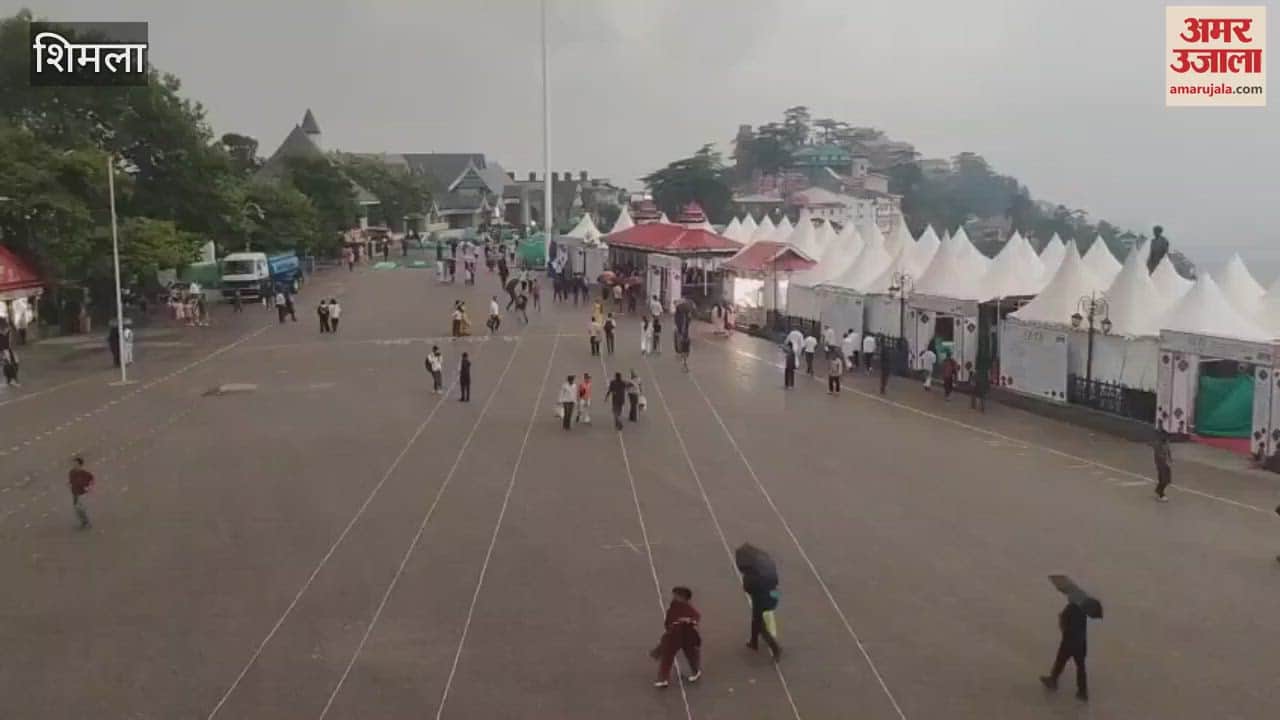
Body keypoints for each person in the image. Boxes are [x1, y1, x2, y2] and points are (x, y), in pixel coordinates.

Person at [651, 586, 702, 688]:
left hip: (686, 635)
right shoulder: (674, 605)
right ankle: (663, 679)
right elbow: (670, 618)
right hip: (674, 635)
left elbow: (696, 617)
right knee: (667, 656)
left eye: (677, 595)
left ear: (683, 597)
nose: (674, 596)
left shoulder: (687, 607)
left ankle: (696, 671)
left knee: (691, 655)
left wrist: (688, 620)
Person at [1040, 601, 1091, 701]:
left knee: (1060, 660)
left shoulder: (1070, 608)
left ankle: (1053, 681)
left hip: (1069, 642)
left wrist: (1061, 618)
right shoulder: (1084, 610)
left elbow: (1064, 626)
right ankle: (1082, 691)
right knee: (1080, 667)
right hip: (1081, 643)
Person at [68, 455, 94, 529]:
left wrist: (89, 488)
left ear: (80, 465)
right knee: (77, 509)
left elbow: (91, 480)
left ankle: (87, 523)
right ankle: (84, 522)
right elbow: (71, 481)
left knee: (80, 508)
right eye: (73, 463)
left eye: (76, 464)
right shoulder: (71, 472)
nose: (74, 465)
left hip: (82, 494)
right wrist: (70, 484)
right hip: (75, 493)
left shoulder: (85, 473)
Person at [1153, 429, 1173, 502]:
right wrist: (1165, 460)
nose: (1165, 437)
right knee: (1163, 479)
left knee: (1168, 480)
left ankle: (1158, 490)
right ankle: (1161, 494)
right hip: (1160, 464)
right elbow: (1158, 454)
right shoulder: (1157, 444)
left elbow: (1168, 450)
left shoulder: (1167, 442)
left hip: (1166, 463)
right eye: (1163, 435)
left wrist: (1170, 458)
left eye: (1166, 436)